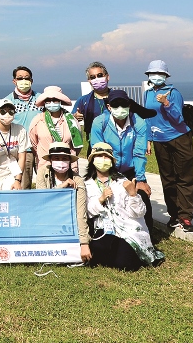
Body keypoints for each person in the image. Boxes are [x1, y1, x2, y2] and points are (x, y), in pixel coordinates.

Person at [84, 142, 165, 270]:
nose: (103, 160)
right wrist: (101, 199)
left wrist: (133, 195)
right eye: (99, 156)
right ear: (92, 160)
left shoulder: (123, 182)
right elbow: (88, 212)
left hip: (127, 228)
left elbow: (139, 212)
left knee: (125, 264)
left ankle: (131, 252)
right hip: (103, 228)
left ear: (112, 161)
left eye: (106, 157)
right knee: (98, 250)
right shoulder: (87, 184)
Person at [89, 89, 154, 233]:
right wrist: (109, 176)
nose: (120, 108)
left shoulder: (139, 123)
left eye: (123, 104)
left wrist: (140, 179)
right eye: (115, 105)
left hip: (130, 169)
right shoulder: (100, 122)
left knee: (141, 195)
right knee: (105, 198)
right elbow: (99, 151)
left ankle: (147, 235)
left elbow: (139, 153)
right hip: (107, 168)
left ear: (129, 105)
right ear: (108, 107)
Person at [143, 60, 193, 232]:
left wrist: (166, 104)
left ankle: (185, 216)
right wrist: (148, 139)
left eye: (160, 73)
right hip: (159, 140)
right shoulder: (148, 94)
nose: (156, 76)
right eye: (153, 73)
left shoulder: (174, 93)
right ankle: (174, 215)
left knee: (184, 178)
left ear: (165, 76)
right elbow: (148, 118)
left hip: (179, 138)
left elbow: (178, 118)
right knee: (167, 179)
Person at [35, 142, 92, 264]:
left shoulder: (77, 180)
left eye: (64, 158)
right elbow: (41, 201)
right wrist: (62, 187)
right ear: (50, 160)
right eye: (56, 158)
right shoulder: (42, 173)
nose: (60, 162)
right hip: (47, 222)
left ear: (70, 161)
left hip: (69, 225)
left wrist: (84, 243)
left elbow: (80, 212)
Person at [27, 86, 86, 176]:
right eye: (48, 100)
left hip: (68, 165)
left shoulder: (72, 120)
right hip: (45, 165)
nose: (51, 103)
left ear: (60, 101)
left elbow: (77, 144)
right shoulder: (37, 120)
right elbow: (34, 143)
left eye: (55, 100)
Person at [4, 66, 41, 188]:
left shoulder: (41, 99)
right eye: (20, 78)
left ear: (32, 80)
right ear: (14, 81)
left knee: (46, 184)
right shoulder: (8, 101)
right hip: (24, 150)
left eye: (27, 78)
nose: (23, 81)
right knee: (24, 185)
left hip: (42, 148)